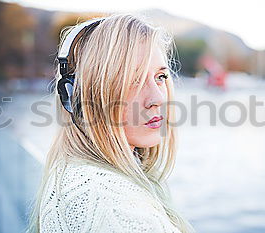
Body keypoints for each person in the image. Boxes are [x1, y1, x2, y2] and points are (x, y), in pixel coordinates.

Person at [27, 12, 195, 233]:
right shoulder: (110, 204)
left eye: (160, 77)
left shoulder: (78, 177)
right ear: (80, 98)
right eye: (132, 80)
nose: (158, 99)